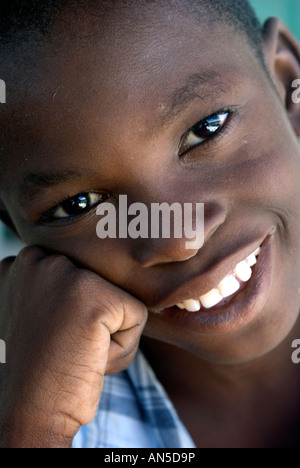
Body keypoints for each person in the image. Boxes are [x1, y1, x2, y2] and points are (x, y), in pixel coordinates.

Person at [0, 0, 300, 448]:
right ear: (17, 228)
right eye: (79, 204)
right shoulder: (21, 401)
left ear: (286, 81)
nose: (179, 237)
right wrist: (31, 428)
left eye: (206, 129)